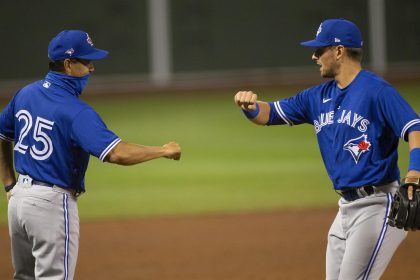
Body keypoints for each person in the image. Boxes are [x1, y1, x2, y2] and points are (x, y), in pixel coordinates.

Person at [234, 18, 420, 280]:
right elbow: (270, 114)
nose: (314, 56)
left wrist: (414, 173)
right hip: (345, 208)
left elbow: (414, 127)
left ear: (339, 51)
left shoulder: (377, 91)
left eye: (319, 49)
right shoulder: (317, 97)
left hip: (378, 206)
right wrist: (249, 106)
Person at [0, 30, 181, 279]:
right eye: (86, 62)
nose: (92, 69)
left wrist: (9, 182)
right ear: (68, 64)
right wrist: (163, 150)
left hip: (19, 203)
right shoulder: (76, 112)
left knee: (24, 277)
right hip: (49, 206)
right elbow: (117, 153)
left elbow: (2, 134)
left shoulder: (25, 93)